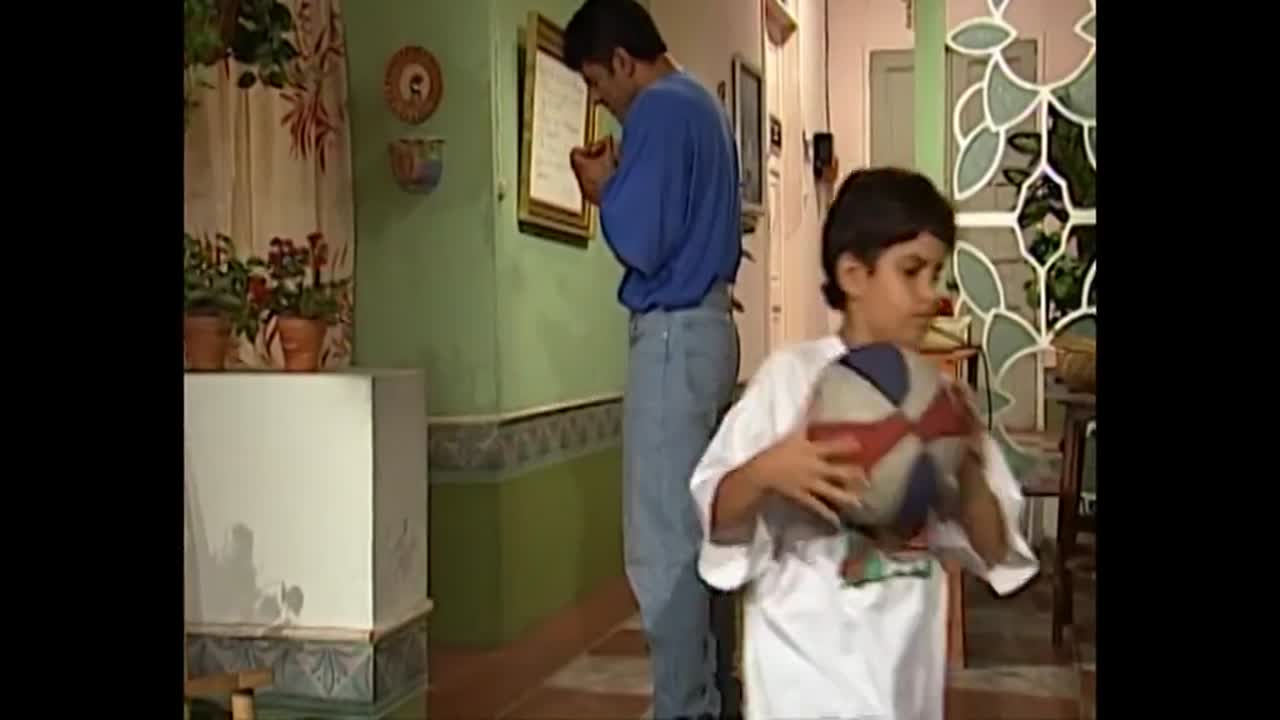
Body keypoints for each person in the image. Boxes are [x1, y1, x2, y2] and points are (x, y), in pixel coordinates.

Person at [690, 167, 1040, 720]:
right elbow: (717, 516)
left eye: (937, 274)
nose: (932, 295)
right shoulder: (789, 380)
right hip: (802, 690)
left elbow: (996, 550)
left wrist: (967, 459)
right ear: (853, 274)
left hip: (903, 690)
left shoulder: (941, 401)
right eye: (912, 272)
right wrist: (765, 472)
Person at [564, 1, 743, 718]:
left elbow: (642, 240)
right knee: (701, 533)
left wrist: (604, 190)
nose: (599, 100)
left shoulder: (661, 110)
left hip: (671, 337)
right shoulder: (704, 105)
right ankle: (712, 694)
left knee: (662, 544)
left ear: (622, 61)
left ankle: (684, 706)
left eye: (596, 82)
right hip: (711, 330)